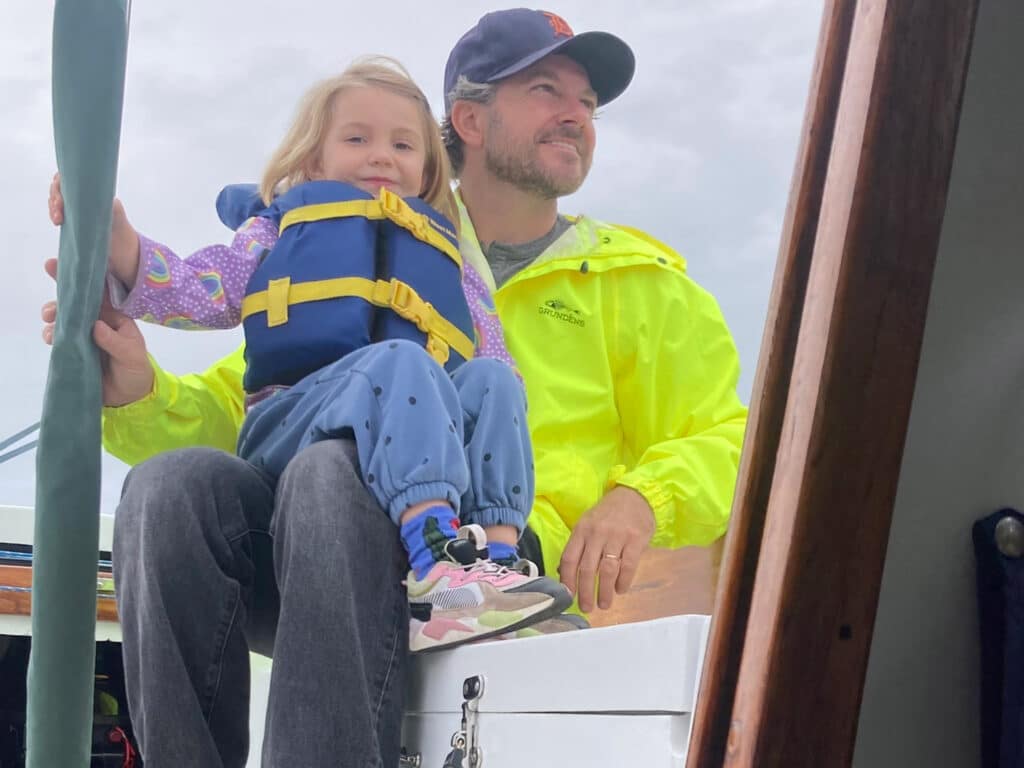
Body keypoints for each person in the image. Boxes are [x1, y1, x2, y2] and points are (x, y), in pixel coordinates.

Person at [42, 9, 747, 767]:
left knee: (329, 470)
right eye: (548, 90)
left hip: (499, 570)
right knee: (169, 487)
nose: (576, 114)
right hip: (311, 567)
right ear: (471, 119)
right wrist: (140, 390)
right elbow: (239, 407)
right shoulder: (334, 247)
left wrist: (644, 498)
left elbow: (733, 442)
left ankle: (447, 594)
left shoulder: (647, 288)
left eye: (588, 103)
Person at [49, 56, 570, 654]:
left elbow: (494, 365)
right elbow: (205, 288)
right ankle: (436, 572)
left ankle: (497, 568)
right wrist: (123, 247)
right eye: (357, 138)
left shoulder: (447, 257)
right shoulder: (282, 230)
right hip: (289, 425)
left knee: (495, 383)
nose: (382, 155)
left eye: (403, 144)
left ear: (426, 170)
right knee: (401, 360)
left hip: (412, 428)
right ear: (312, 160)